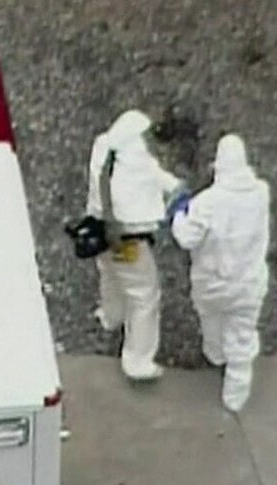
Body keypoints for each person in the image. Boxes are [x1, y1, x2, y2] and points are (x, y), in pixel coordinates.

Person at [170, 134, 270, 412]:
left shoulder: (208, 203)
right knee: (242, 334)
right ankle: (235, 394)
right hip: (249, 283)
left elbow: (186, 238)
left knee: (211, 319)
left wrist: (179, 213)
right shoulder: (261, 192)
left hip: (212, 283)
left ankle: (215, 354)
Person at [87, 109, 184, 381]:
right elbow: (156, 176)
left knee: (109, 276)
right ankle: (137, 360)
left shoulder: (103, 148)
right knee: (144, 296)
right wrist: (178, 190)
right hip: (128, 240)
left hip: (100, 232)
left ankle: (111, 315)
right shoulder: (136, 163)